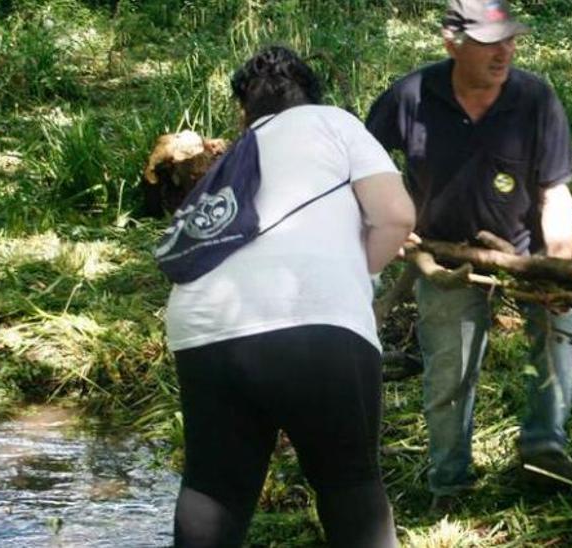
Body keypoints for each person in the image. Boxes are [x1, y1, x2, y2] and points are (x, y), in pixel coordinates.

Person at [166, 45, 414, 547]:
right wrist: (355, 272)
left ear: (245, 112)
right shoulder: (335, 123)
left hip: (202, 328)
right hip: (316, 324)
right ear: (311, 95)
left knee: (214, 488)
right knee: (350, 483)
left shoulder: (232, 158)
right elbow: (396, 216)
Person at [365, 0, 572, 510]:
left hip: (525, 253)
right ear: (451, 42)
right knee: (450, 368)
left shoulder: (535, 98)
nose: (504, 51)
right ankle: (451, 481)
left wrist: (557, 267)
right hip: (444, 257)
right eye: (490, 41)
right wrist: (389, 223)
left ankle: (543, 451)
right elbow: (361, 168)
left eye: (510, 39)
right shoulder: (410, 96)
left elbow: (556, 195)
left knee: (559, 333)